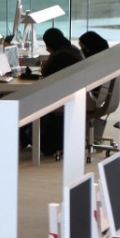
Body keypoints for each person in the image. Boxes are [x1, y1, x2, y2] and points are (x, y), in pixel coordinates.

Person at [37, 28, 85, 157]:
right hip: (77, 95)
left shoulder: (60, 55)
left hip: (64, 99)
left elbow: (47, 76)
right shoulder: (73, 50)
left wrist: (47, 62)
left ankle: (25, 137)